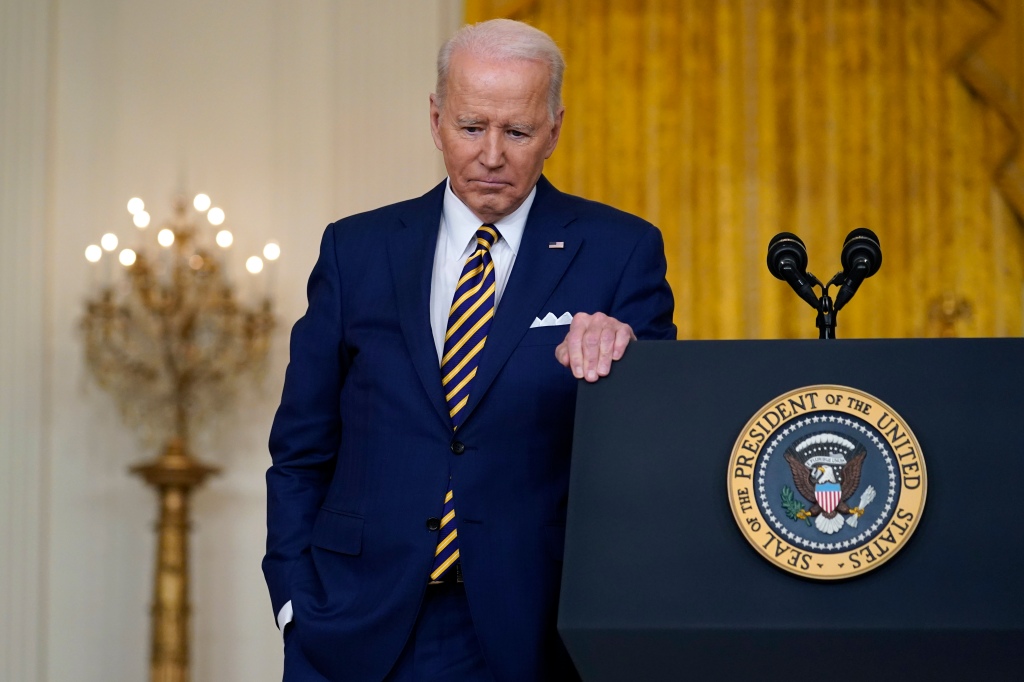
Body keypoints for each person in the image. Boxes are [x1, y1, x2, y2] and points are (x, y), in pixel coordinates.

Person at [264, 18, 676, 682]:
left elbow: (650, 458)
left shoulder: (620, 253)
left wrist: (631, 365)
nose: (491, 155)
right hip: (353, 626)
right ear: (435, 120)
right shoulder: (355, 250)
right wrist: (293, 602)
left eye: (516, 132)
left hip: (533, 631)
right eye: (470, 127)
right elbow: (301, 452)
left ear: (554, 130)